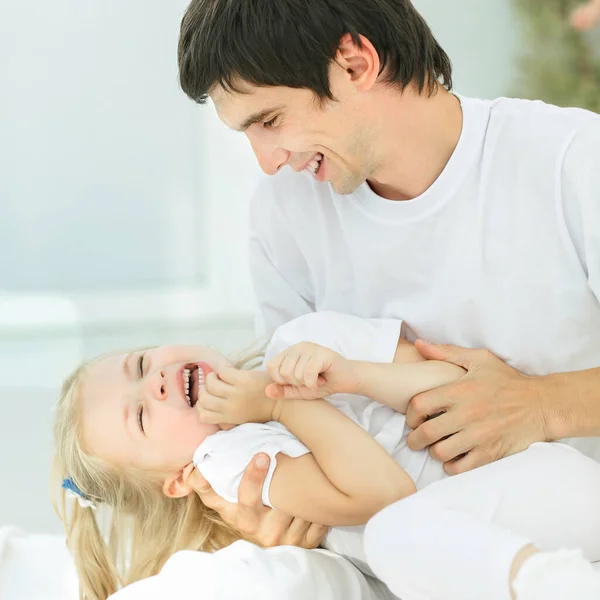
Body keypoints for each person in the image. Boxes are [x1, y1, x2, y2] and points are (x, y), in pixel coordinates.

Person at [176, 0, 600, 548]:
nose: (268, 160)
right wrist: (283, 509)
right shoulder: (283, 212)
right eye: (247, 133)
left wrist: (542, 405)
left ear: (356, 64)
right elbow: (297, 414)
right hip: (418, 555)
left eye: (270, 120)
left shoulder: (573, 161)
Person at [53, 312, 600, 600]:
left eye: (142, 363)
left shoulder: (303, 339)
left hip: (541, 478)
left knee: (396, 540)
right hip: (522, 527)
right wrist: (283, 405)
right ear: (178, 480)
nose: (157, 384)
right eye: (143, 416)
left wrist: (356, 376)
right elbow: (385, 495)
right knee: (392, 537)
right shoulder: (236, 462)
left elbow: (464, 387)